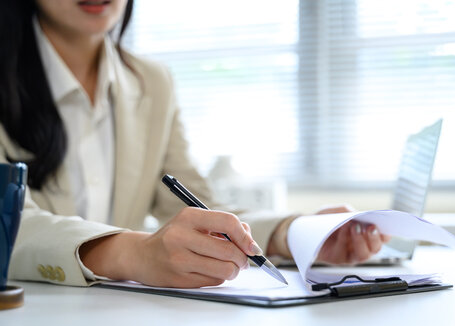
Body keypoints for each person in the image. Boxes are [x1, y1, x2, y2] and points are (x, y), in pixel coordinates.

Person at [0, 0, 389, 289]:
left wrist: (294, 233)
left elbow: (193, 202)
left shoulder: (152, 82)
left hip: (114, 319)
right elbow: (10, 224)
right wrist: (132, 253)